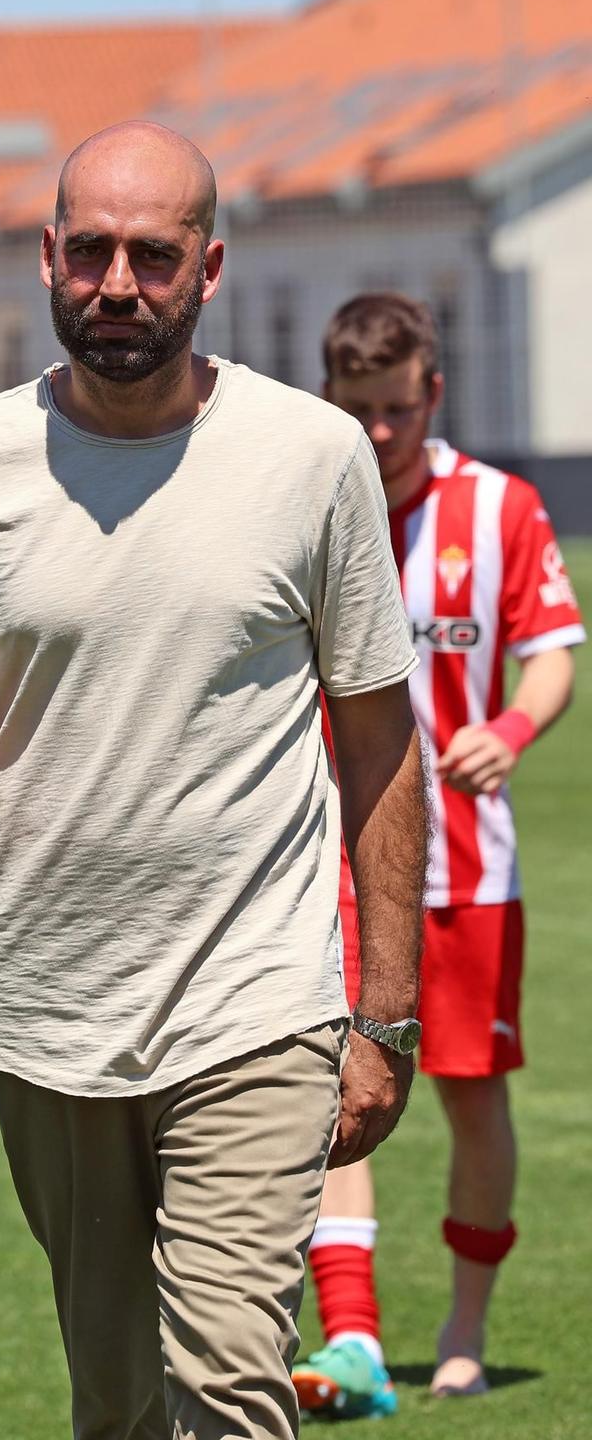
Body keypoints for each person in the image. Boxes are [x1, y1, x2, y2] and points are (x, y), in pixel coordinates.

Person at [0, 122, 429, 1438]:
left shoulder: (313, 455)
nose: (120, 282)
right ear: (50, 258)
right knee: (114, 1406)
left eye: (155, 256)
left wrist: (386, 1008)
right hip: (48, 1013)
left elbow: (376, 737)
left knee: (231, 1385)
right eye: (95, 252)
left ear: (210, 268)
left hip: (258, 1000)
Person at [292, 293, 581, 1417]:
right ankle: (352, 1339)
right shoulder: (309, 502)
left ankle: (463, 1322)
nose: (376, 434)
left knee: (468, 1096)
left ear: (432, 395)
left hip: (468, 870)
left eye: (393, 411)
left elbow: (552, 653)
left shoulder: (499, 508)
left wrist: (506, 730)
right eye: (356, 411)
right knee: (324, 1086)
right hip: (322, 863)